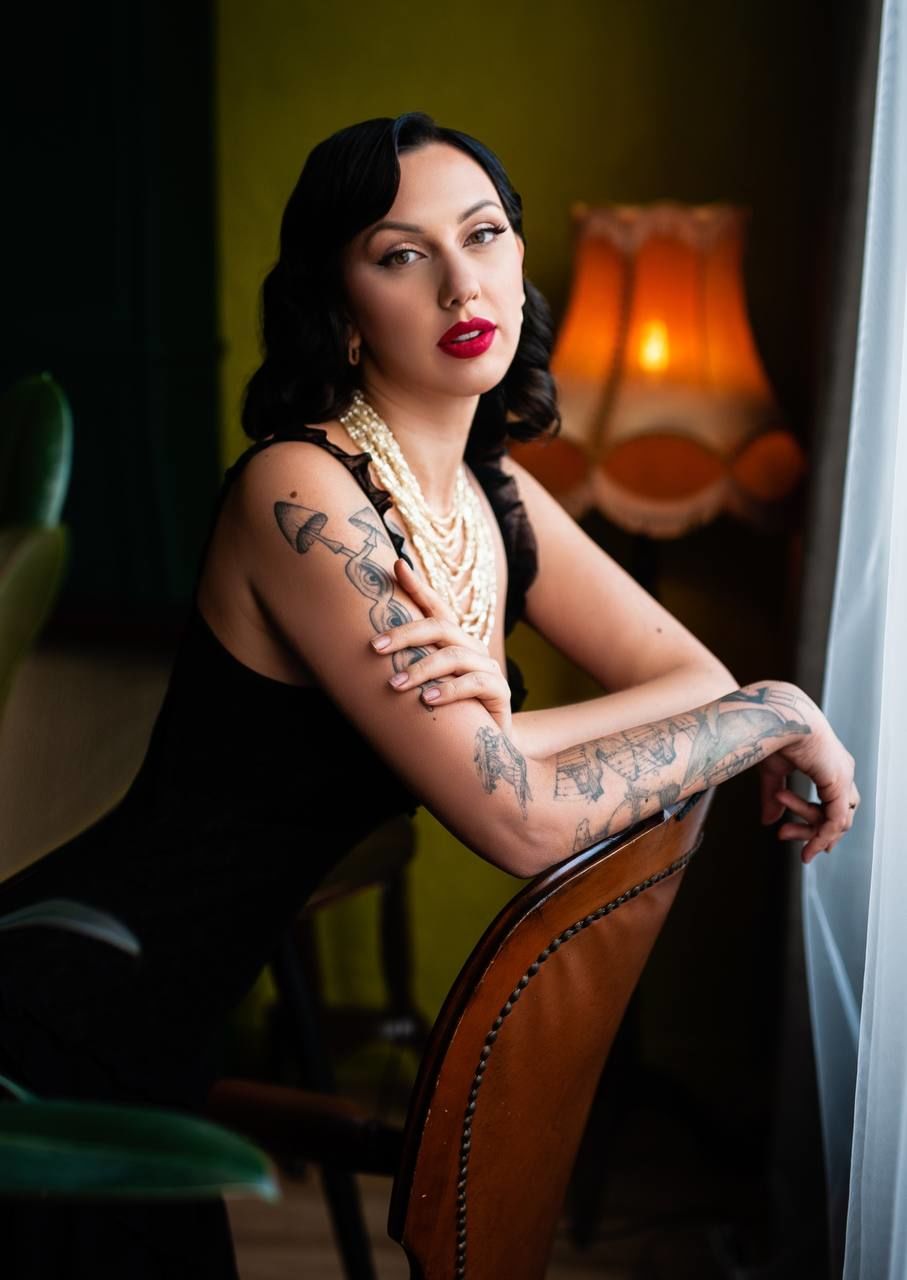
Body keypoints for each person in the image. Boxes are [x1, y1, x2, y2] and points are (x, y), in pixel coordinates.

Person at [0, 110, 859, 1276]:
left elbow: (689, 679)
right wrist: (777, 711)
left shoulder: (492, 490)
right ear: (340, 307)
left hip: (160, 1033)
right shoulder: (302, 493)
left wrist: (503, 712)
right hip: (59, 1021)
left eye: (484, 233)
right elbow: (519, 819)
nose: (462, 281)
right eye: (401, 253)